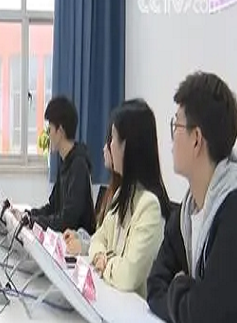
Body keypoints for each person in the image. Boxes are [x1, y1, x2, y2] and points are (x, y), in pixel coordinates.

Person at [147, 72, 237, 323]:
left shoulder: (236, 210)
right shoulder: (187, 211)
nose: (171, 139)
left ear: (196, 139)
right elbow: (154, 285)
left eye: (176, 126)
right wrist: (189, 300)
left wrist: (179, 285)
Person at [85, 99, 171, 297]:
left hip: (135, 310)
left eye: (113, 139)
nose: (109, 146)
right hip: (114, 297)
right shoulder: (123, 194)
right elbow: (97, 238)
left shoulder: (149, 206)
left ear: (128, 146)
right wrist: (101, 254)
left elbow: (128, 276)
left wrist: (105, 261)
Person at [29, 95, 96, 234]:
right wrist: (29, 215)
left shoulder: (78, 165)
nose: (48, 135)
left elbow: (67, 221)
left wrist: (33, 221)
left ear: (60, 131)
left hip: (77, 242)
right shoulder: (66, 162)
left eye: (50, 130)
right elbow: (53, 208)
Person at [64, 121, 122, 255]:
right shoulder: (111, 190)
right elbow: (98, 237)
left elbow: (111, 249)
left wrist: (83, 246)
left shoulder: (123, 196)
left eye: (110, 142)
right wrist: (78, 236)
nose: (104, 149)